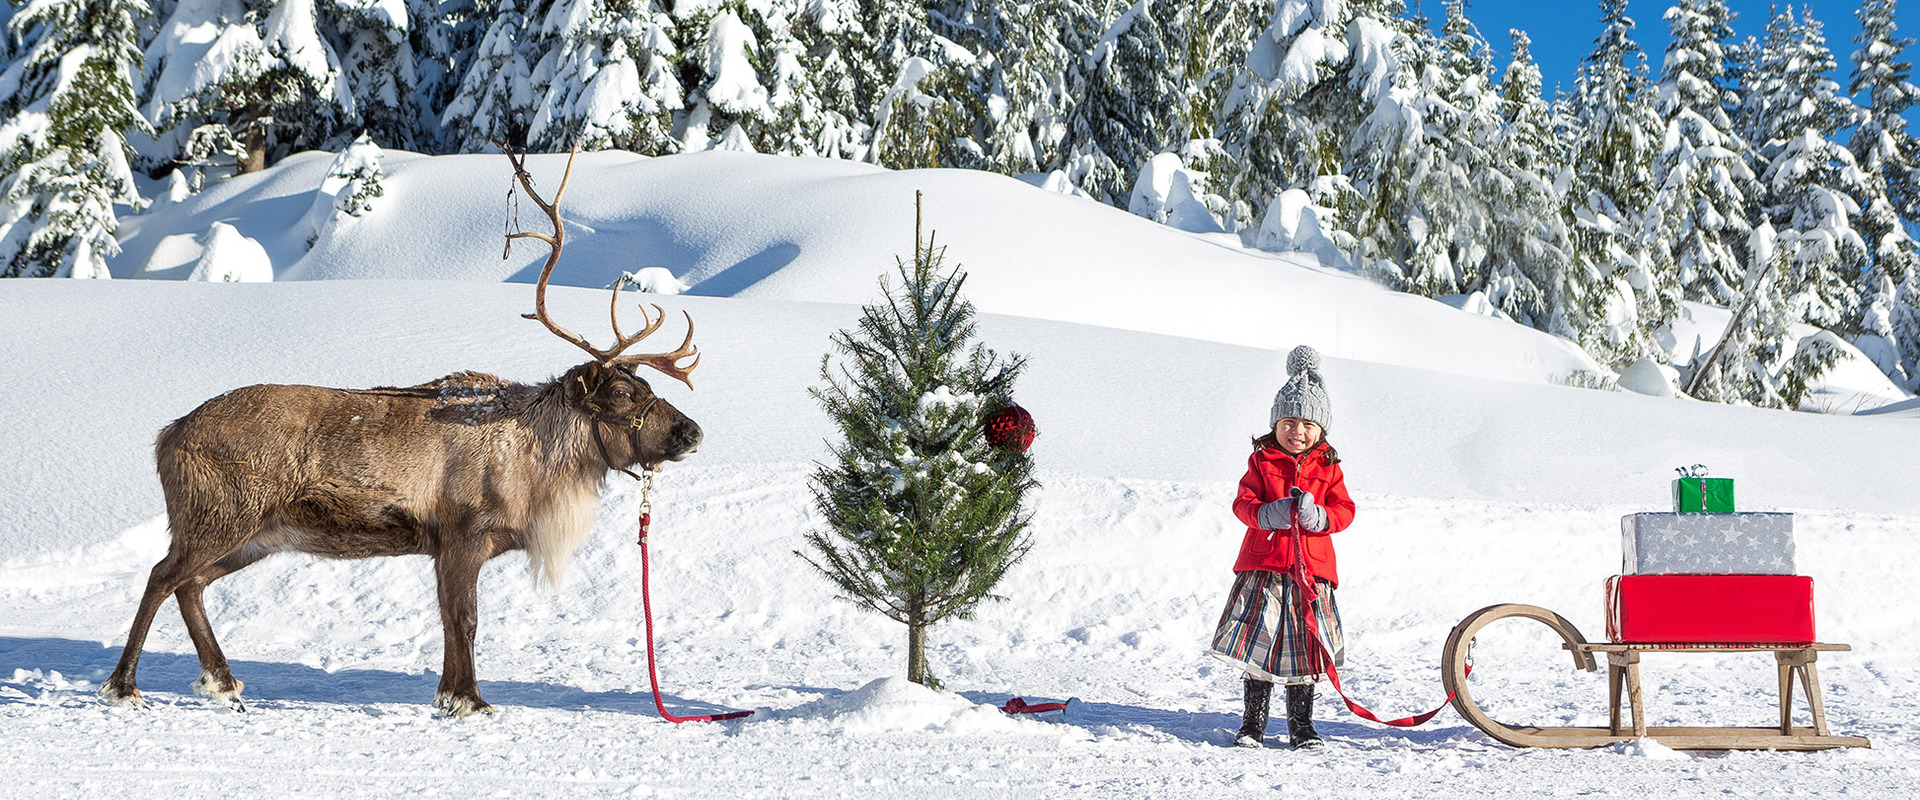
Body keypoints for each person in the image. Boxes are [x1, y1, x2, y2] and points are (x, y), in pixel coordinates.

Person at [1210, 345, 1355, 750]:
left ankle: (1301, 725)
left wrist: (1319, 518)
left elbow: (1345, 511)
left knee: (1303, 653)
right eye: (1289, 421)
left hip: (1310, 575)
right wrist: (1268, 514)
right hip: (1266, 571)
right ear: (1275, 424)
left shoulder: (1328, 467)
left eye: (1308, 423)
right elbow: (1243, 504)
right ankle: (1252, 724)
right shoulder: (1261, 462)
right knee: (1262, 647)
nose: (1298, 431)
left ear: (1321, 430)